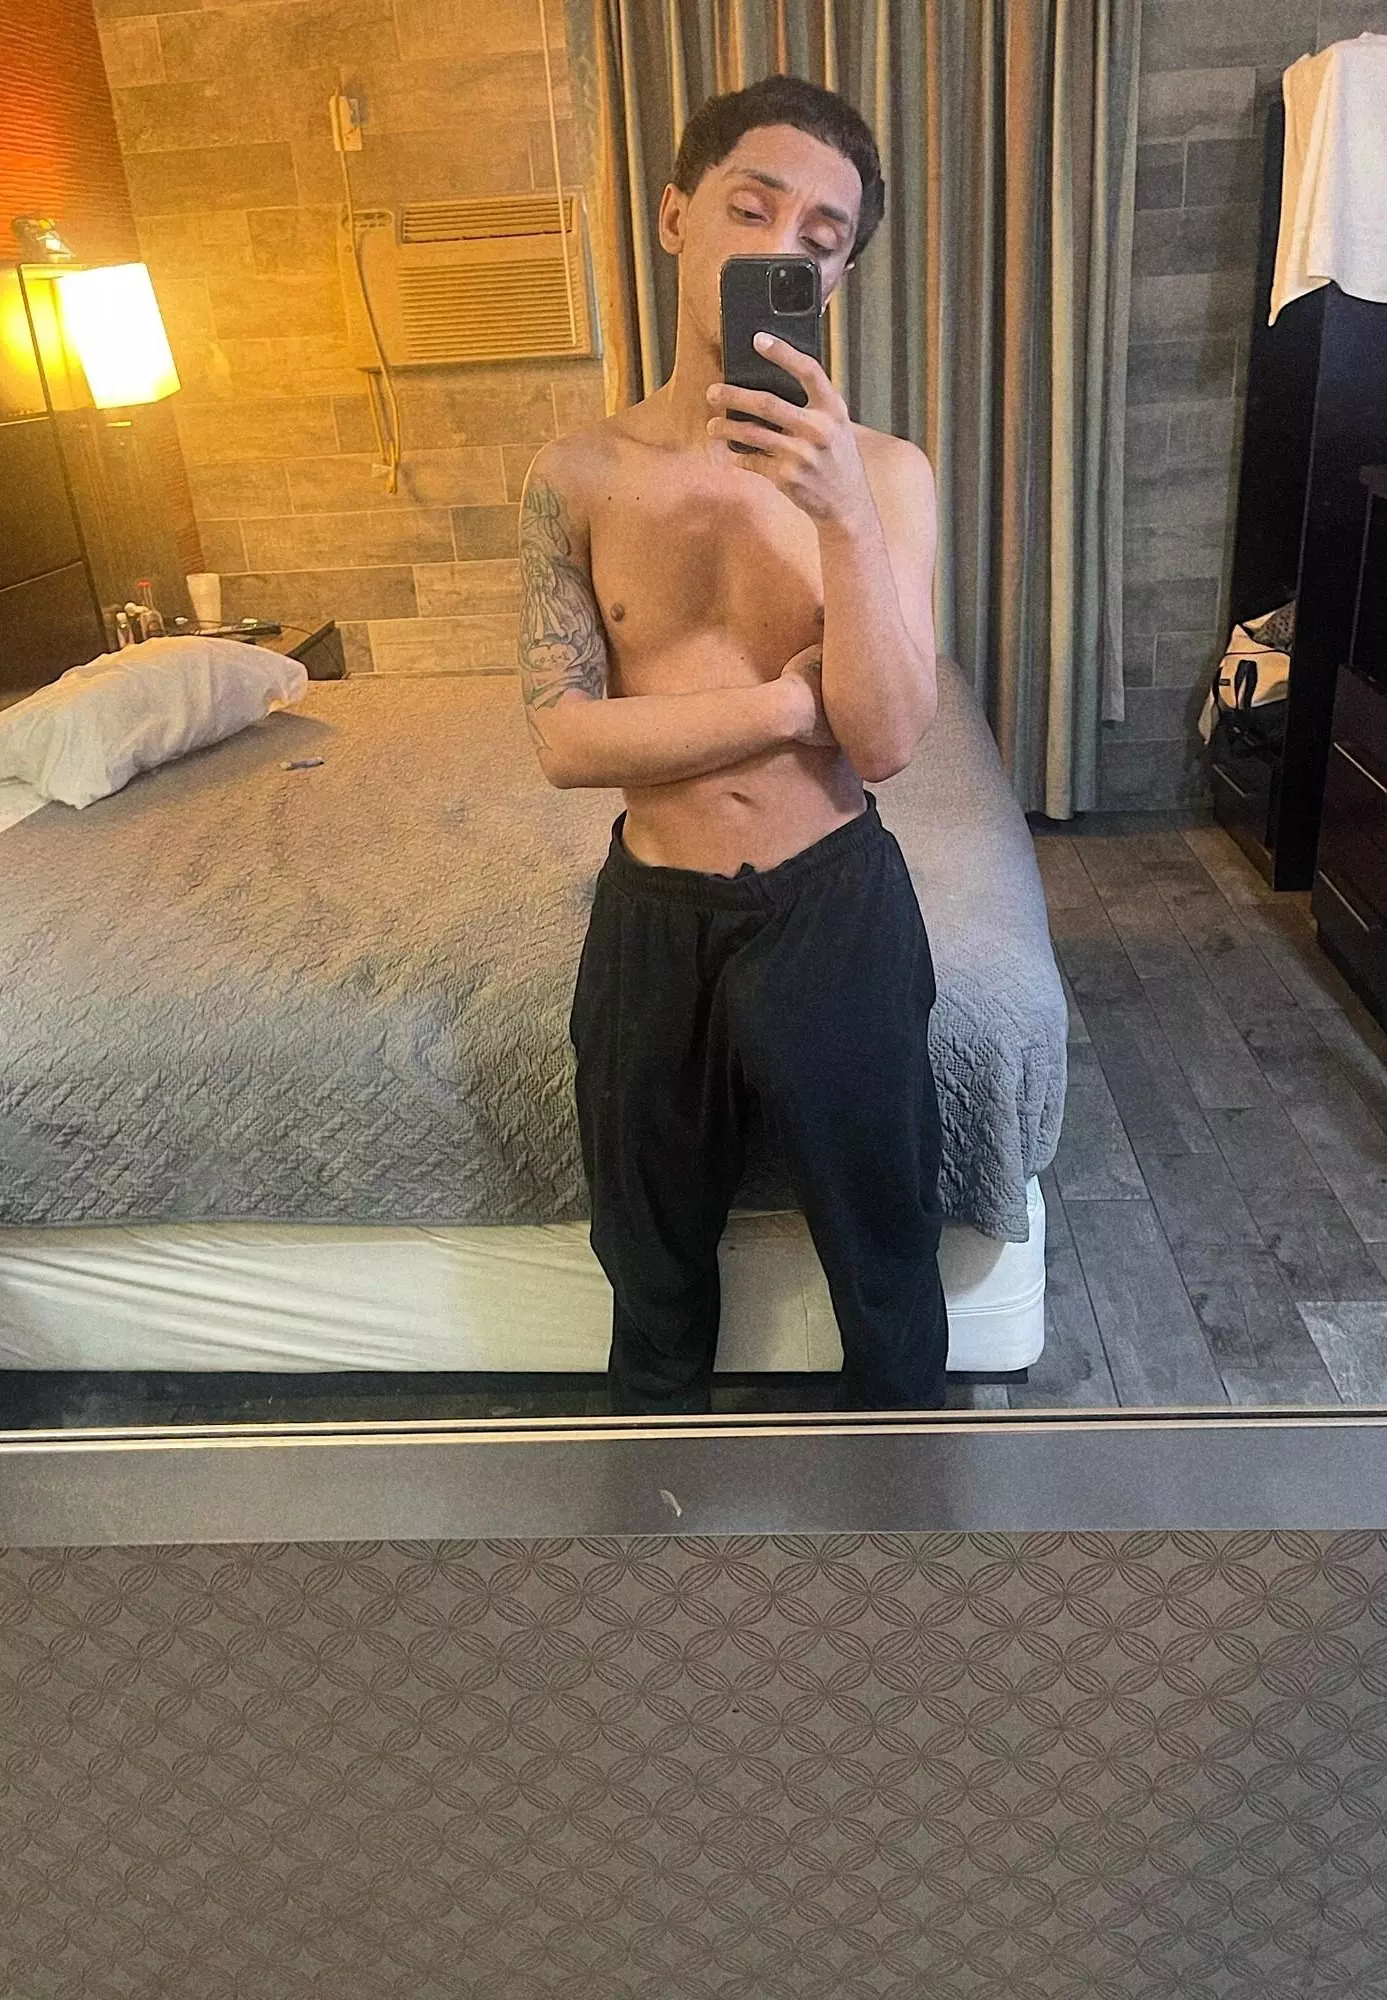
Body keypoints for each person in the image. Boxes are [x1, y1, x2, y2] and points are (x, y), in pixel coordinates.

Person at [516, 74, 947, 1416]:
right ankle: (660, 1516)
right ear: (673, 217)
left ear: (841, 276)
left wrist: (842, 518)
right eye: (751, 209)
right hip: (653, 912)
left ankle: (907, 1503)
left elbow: (888, 740)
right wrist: (778, 709)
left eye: (821, 237)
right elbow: (565, 742)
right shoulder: (575, 478)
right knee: (647, 1277)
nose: (783, 248)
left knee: (887, 1264)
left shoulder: (885, 477)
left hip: (832, 898)